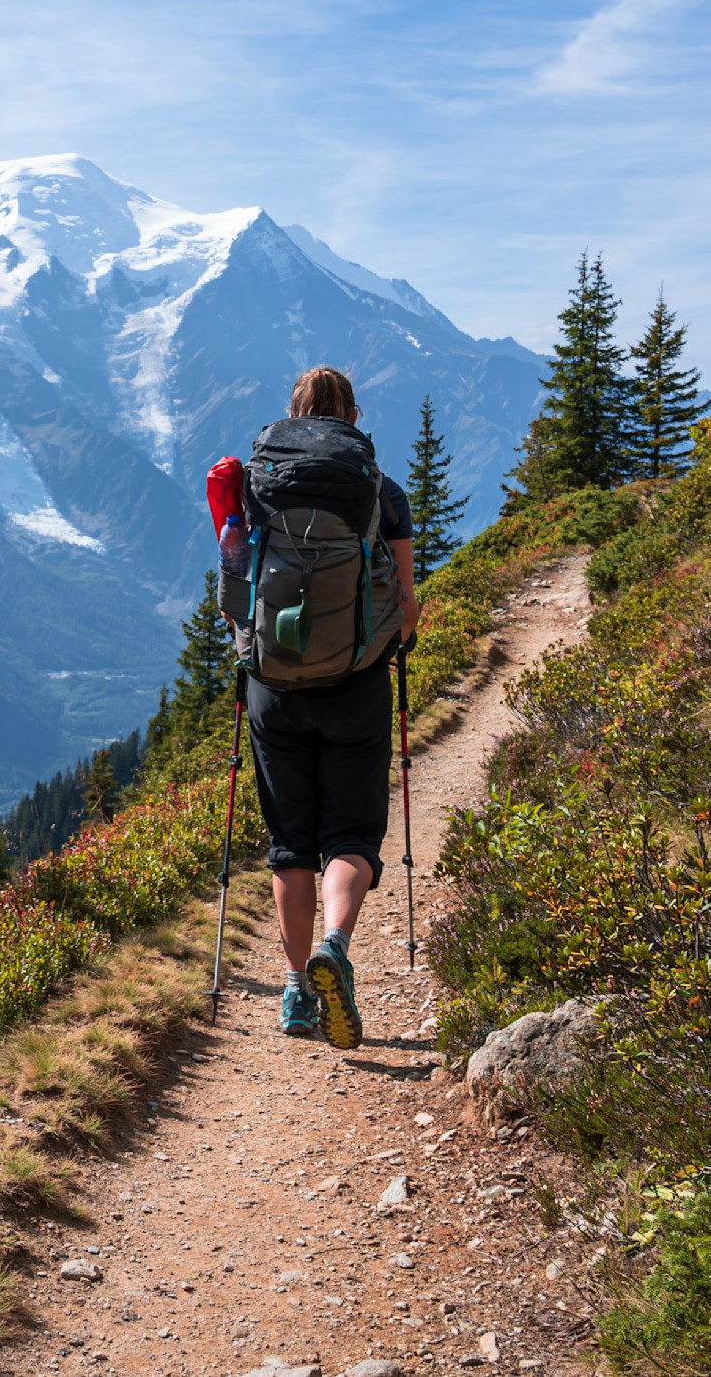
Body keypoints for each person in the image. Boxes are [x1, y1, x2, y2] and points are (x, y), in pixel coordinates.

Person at [242, 367, 415, 1048]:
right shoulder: (380, 492)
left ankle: (294, 994)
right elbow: (404, 607)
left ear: (292, 415)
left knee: (291, 844)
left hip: (273, 689)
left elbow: (236, 584)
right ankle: (335, 948)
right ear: (350, 416)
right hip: (356, 685)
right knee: (351, 836)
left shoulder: (260, 486)